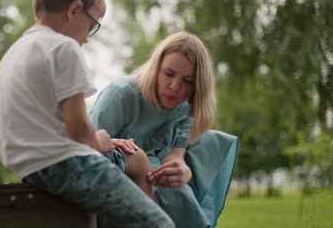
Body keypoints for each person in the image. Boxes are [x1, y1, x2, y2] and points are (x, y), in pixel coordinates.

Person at [0, 0, 174, 227]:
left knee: (132, 161)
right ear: (75, 9)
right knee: (158, 224)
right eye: (92, 25)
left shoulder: (14, 54)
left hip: (29, 169)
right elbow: (78, 128)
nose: (87, 38)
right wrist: (98, 139)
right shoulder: (63, 47)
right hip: (68, 165)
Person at [89, 31, 239, 228]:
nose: (175, 87)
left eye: (188, 81)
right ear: (156, 67)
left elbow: (175, 155)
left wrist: (182, 169)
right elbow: (90, 148)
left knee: (178, 184)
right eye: (168, 74)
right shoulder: (122, 94)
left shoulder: (185, 107)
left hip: (155, 177)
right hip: (117, 175)